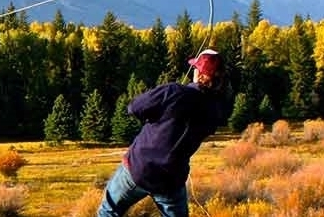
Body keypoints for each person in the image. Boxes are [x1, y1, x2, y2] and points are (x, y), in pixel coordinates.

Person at [96, 48, 230, 217]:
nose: (194, 70)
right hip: (171, 180)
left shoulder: (173, 91)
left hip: (138, 169)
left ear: (199, 73)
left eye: (196, 67)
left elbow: (134, 107)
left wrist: (160, 108)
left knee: (109, 211)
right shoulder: (215, 111)